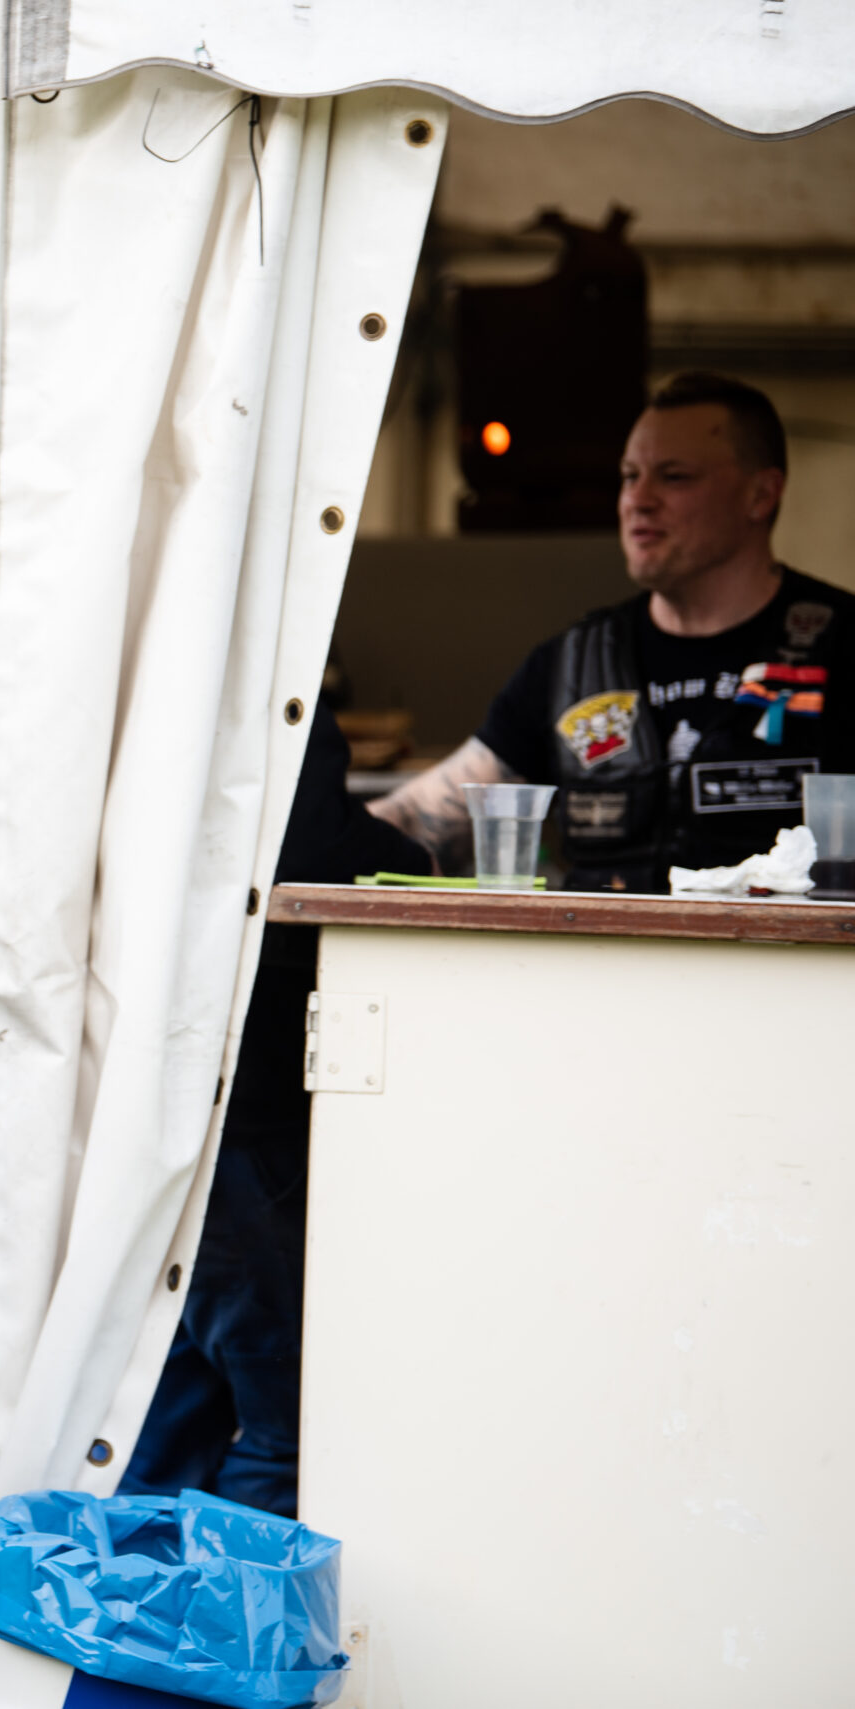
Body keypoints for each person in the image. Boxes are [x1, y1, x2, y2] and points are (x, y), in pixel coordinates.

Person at [120, 703, 430, 1517]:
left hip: (165, 1101)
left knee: (176, 1410)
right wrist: (415, 858)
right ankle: (234, 1603)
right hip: (248, 1112)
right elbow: (316, 848)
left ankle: (128, 1595)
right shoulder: (272, 683)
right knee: (286, 1424)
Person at [370, 373, 853, 890]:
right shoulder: (573, 663)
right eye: (628, 476)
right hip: (598, 944)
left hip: (780, 945)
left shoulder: (840, 643)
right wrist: (323, 828)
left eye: (674, 477)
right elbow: (426, 816)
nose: (637, 500)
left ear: (761, 495)